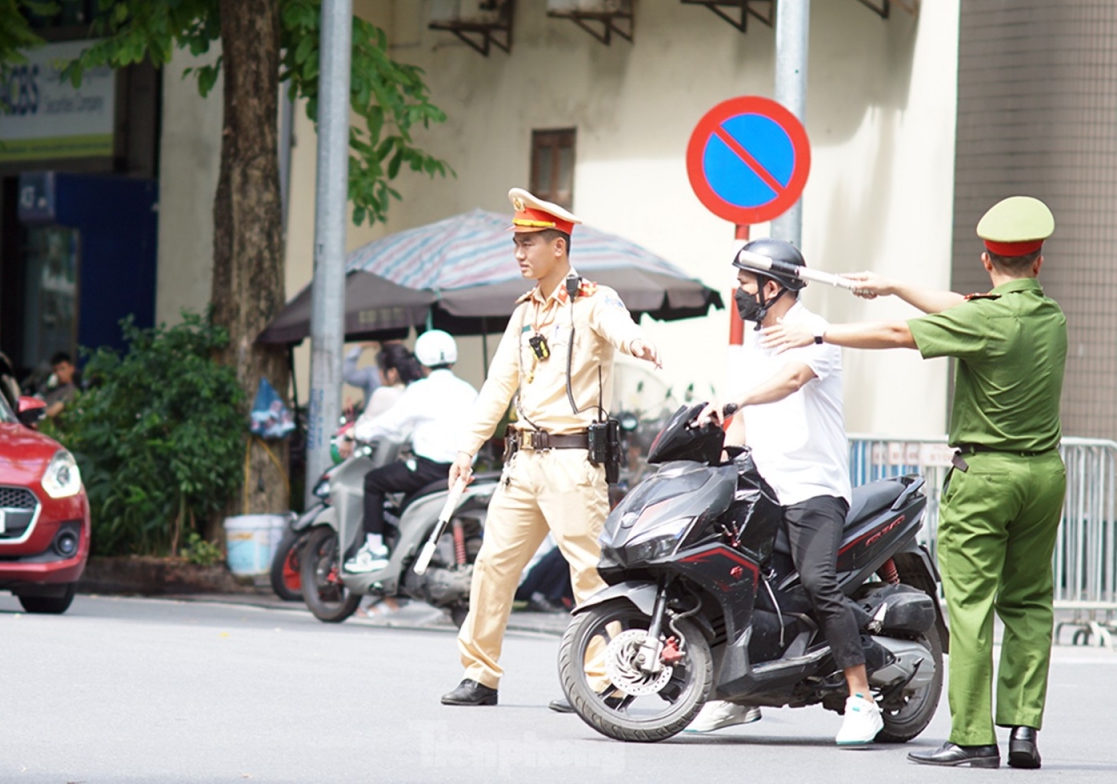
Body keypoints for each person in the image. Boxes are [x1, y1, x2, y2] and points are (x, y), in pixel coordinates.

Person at [761, 196, 1066, 769]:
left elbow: (904, 334)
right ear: (1039, 263)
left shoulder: (984, 319)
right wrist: (894, 284)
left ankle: (975, 737)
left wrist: (822, 335)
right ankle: (1024, 733)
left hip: (988, 476)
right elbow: (962, 306)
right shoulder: (1047, 316)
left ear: (985, 259)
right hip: (1044, 475)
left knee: (972, 607)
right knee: (1029, 606)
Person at [439, 187, 661, 709]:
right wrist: (467, 449)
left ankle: (606, 678)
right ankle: (481, 674)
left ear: (558, 246)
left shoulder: (593, 301)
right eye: (516, 242)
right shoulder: (524, 313)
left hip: (572, 460)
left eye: (529, 242)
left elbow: (619, 327)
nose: (519, 252)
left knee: (587, 572)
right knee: (492, 565)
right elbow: (498, 386)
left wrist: (637, 344)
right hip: (524, 462)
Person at [688, 238, 883, 746]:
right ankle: (740, 696)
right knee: (737, 584)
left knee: (819, 584)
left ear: (771, 287)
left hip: (813, 487)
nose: (738, 292)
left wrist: (733, 398)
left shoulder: (818, 333)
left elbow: (790, 381)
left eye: (745, 284)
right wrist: (725, 467)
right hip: (764, 488)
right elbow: (744, 418)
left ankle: (862, 698)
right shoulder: (753, 343)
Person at [342, 330, 479, 574]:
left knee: (373, 481)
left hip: (430, 469)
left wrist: (355, 433)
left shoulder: (420, 390)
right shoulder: (468, 390)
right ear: (452, 358)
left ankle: (374, 549)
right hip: (463, 470)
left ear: (420, 361)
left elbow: (390, 423)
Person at [335, 343, 423, 461]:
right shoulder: (417, 392)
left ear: (392, 372)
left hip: (383, 460)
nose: (379, 373)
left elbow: (363, 426)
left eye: (381, 369)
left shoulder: (383, 393)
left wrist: (349, 435)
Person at [40, 352, 77, 418]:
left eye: (62, 369)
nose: (59, 373)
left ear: (71, 369)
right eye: (56, 370)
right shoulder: (49, 388)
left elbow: (52, 412)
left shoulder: (70, 391)